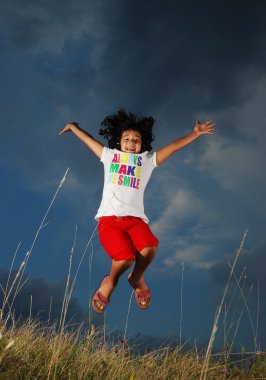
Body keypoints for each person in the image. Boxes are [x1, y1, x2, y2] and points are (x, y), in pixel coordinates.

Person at [59, 109, 215, 313]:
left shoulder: (146, 162)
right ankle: (110, 282)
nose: (131, 142)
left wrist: (195, 133)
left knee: (149, 248)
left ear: (143, 143)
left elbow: (173, 147)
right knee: (125, 258)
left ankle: (136, 278)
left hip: (135, 221)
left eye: (136, 139)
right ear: (118, 142)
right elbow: (90, 142)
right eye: (126, 138)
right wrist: (74, 127)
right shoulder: (109, 156)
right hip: (110, 222)